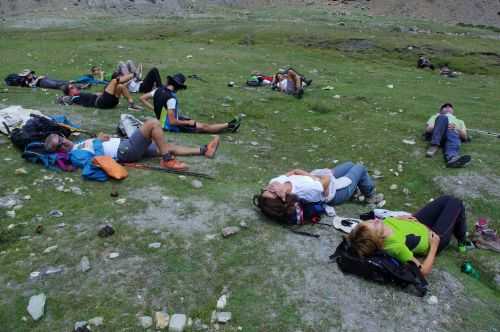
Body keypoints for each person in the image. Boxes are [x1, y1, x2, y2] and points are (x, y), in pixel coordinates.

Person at [347, 195, 468, 277]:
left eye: (368, 221)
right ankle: (462, 241)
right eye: (373, 224)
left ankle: (461, 237)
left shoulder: (383, 225)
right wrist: (434, 248)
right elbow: (422, 271)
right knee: (456, 203)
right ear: (378, 239)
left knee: (446, 199)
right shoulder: (396, 246)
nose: (374, 220)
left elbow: (389, 220)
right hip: (434, 237)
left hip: (418, 223)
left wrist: (400, 218)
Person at [44, 119, 220, 171]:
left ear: (62, 136)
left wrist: (101, 138)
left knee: (165, 145)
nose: (62, 145)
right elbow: (95, 160)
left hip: (125, 145)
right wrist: (98, 141)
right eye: (58, 147)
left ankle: (204, 150)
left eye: (61, 140)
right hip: (125, 151)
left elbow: (97, 144)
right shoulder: (75, 155)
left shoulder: (78, 143)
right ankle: (167, 161)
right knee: (152, 124)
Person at [140, 73, 241, 133]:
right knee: (204, 127)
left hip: (163, 120)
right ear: (178, 87)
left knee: (199, 124)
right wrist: (187, 122)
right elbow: (172, 122)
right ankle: (229, 125)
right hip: (169, 126)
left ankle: (227, 126)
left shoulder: (158, 90)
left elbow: (143, 98)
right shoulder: (171, 99)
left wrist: (155, 109)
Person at [259, 161, 384, 207]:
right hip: (335, 193)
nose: (269, 187)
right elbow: (327, 179)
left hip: (322, 180)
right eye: (271, 191)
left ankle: (356, 190)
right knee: (360, 168)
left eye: (265, 188)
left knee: (349, 165)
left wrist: (313, 176)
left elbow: (295, 170)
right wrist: (317, 177)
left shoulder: (275, 182)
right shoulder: (304, 189)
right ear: (282, 196)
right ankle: (370, 196)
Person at [62, 73, 142, 111]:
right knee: (114, 81)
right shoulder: (74, 98)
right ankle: (134, 75)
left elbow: (95, 94)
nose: (74, 87)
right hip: (102, 102)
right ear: (70, 93)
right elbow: (64, 99)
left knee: (120, 86)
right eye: (72, 88)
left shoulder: (80, 94)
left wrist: (104, 92)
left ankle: (132, 104)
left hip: (108, 101)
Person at [425, 103, 471, 168]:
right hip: (439, 136)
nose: (448, 108)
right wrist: (443, 125)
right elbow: (428, 129)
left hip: (452, 138)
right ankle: (434, 146)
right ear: (440, 110)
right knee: (443, 118)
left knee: (452, 132)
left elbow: (465, 136)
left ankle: (452, 159)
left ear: (453, 110)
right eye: (445, 107)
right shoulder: (435, 117)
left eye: (450, 107)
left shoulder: (460, 121)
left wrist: (456, 128)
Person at [16, 69, 86, 90]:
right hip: (42, 83)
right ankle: (80, 86)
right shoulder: (26, 81)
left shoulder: (32, 76)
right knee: (57, 85)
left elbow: (36, 78)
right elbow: (32, 85)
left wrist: (41, 77)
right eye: (28, 74)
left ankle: (80, 84)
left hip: (44, 80)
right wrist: (38, 79)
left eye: (30, 73)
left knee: (62, 81)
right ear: (25, 76)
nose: (30, 75)